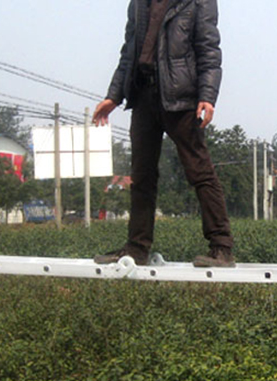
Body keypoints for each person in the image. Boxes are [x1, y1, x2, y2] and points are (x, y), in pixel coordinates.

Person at [93, 0, 235, 268]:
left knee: (200, 171)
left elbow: (209, 51)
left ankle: (222, 247)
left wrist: (207, 96)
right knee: (142, 176)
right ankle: (137, 248)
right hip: (143, 95)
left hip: (181, 98)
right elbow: (128, 53)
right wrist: (114, 96)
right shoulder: (139, 3)